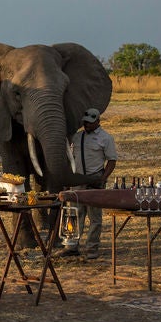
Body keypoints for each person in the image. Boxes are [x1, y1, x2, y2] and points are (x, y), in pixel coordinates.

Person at [61, 107, 117, 260]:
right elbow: (71, 156)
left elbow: (112, 161)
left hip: (94, 179)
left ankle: (92, 248)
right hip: (78, 179)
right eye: (85, 123)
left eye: (90, 123)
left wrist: (103, 178)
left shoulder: (106, 138)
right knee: (74, 213)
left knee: (95, 217)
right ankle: (71, 246)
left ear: (98, 122)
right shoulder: (78, 137)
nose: (87, 125)